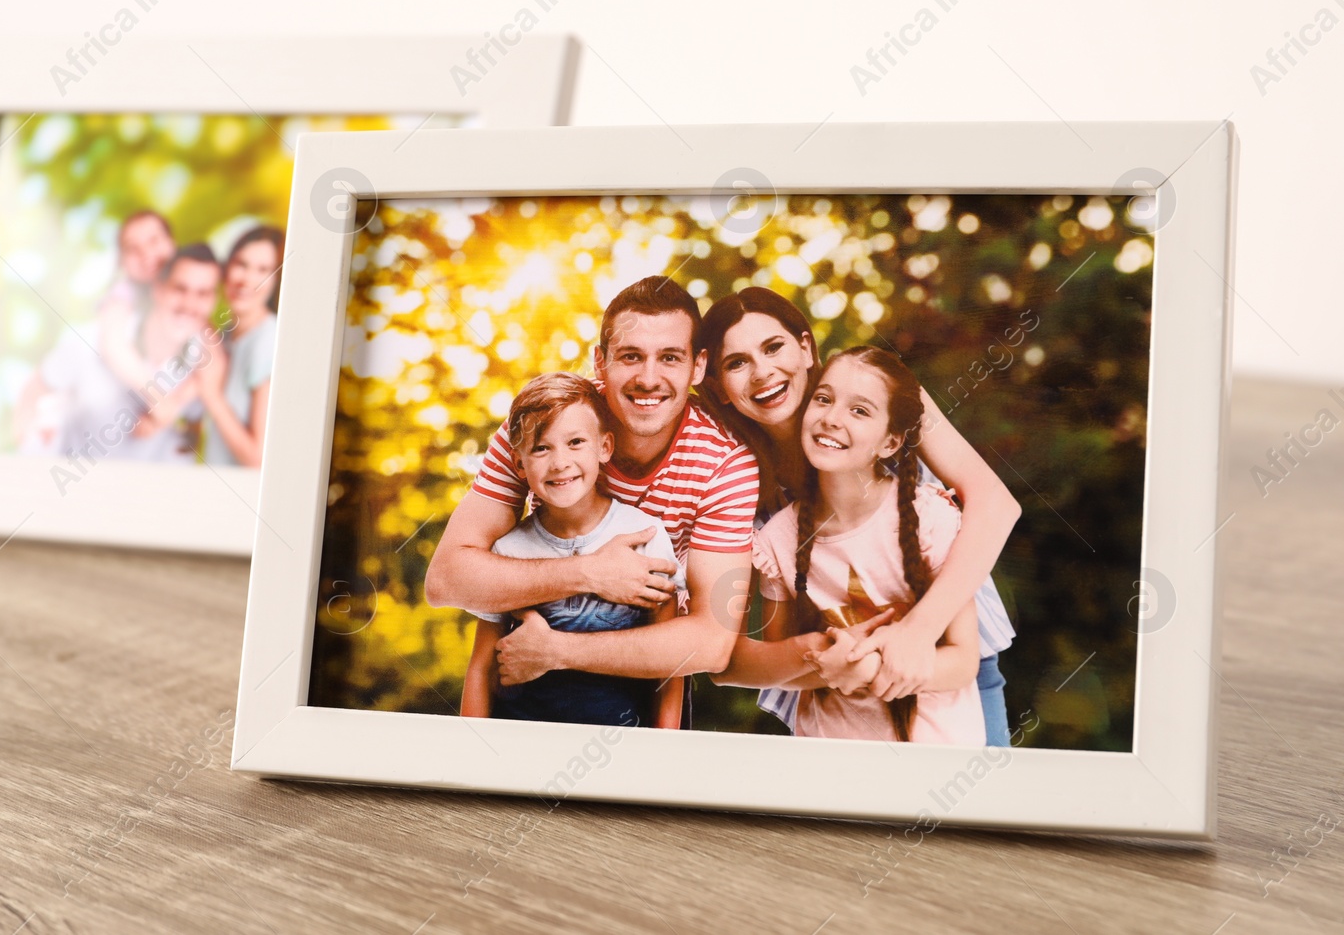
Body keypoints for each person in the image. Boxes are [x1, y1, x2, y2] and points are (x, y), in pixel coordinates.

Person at [695, 288, 1021, 744]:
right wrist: (820, 658)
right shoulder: (738, 477)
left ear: (806, 347)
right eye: (737, 363)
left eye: (774, 347)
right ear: (718, 388)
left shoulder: (876, 388)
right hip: (837, 698)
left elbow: (995, 502)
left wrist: (917, 632)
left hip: (947, 664)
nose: (763, 371)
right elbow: (738, 656)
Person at [426, 276, 759, 712]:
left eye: (670, 358)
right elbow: (446, 580)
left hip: (642, 676)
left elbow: (711, 643)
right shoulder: (542, 430)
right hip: (527, 680)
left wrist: (558, 653)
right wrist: (591, 573)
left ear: (697, 366)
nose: (648, 377)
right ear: (600, 362)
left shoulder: (725, 465)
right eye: (630, 356)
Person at [459, 373, 684, 728]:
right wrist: (469, 759)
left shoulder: (644, 536)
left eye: (576, 442)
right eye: (540, 447)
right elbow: (482, 666)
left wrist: (664, 749)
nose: (559, 462)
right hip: (523, 740)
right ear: (519, 464)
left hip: (622, 744)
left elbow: (670, 668)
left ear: (605, 447)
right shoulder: (507, 551)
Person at [16, 245, 222, 463]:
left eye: (203, 294)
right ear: (159, 289)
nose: (190, 304)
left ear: (214, 301)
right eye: (180, 289)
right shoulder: (94, 339)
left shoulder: (205, 367)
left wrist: (169, 410)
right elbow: (34, 391)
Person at [198, 225, 282, 467]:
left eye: (263, 270)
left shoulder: (267, 341)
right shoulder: (225, 337)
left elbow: (257, 459)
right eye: (241, 264)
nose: (247, 279)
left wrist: (212, 396)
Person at [97, 211, 177, 396]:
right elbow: (112, 343)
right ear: (122, 262)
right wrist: (160, 401)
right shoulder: (123, 294)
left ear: (172, 243)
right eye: (133, 249)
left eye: (154, 241)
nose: (146, 253)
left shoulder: (190, 286)